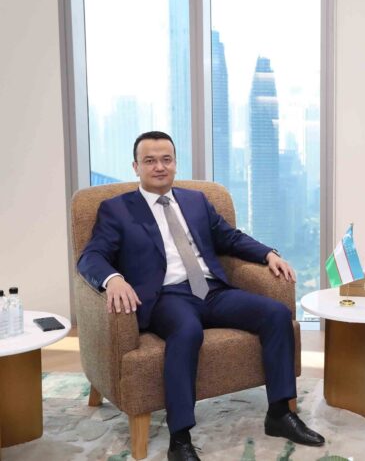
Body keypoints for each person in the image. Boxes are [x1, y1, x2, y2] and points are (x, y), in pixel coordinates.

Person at [78, 131, 325, 461]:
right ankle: (180, 439)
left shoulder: (196, 201)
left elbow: (229, 238)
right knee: (187, 331)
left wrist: (268, 254)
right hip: (167, 297)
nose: (159, 167)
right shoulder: (116, 209)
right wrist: (113, 279)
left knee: (276, 314)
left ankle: (280, 414)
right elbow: (90, 256)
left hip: (211, 290)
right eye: (150, 161)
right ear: (136, 167)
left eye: (166, 159)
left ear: (175, 163)